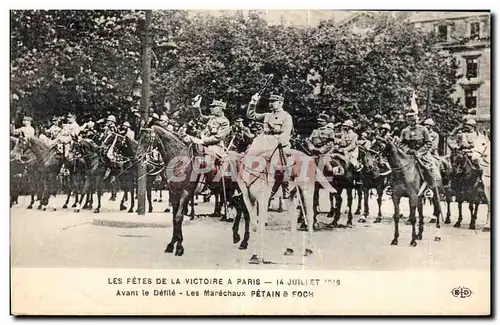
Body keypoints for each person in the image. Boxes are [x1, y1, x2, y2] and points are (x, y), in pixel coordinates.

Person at [247, 93, 293, 198]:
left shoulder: (286, 116)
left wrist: (275, 143)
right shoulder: (267, 115)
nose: (271, 104)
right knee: (248, 155)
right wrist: (253, 102)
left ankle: (285, 185)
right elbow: (251, 115)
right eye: (270, 102)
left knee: (282, 165)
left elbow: (285, 134)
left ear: (281, 103)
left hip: (278, 143)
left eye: (274, 102)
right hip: (263, 141)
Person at [399, 111, 441, 194]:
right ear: (407, 121)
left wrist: (419, 152)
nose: (412, 123)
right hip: (408, 155)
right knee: (397, 167)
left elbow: (429, 143)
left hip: (423, 154)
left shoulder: (423, 129)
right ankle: (394, 186)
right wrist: (408, 150)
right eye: (410, 121)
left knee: (430, 167)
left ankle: (430, 187)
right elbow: (401, 143)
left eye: (414, 120)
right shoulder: (404, 131)